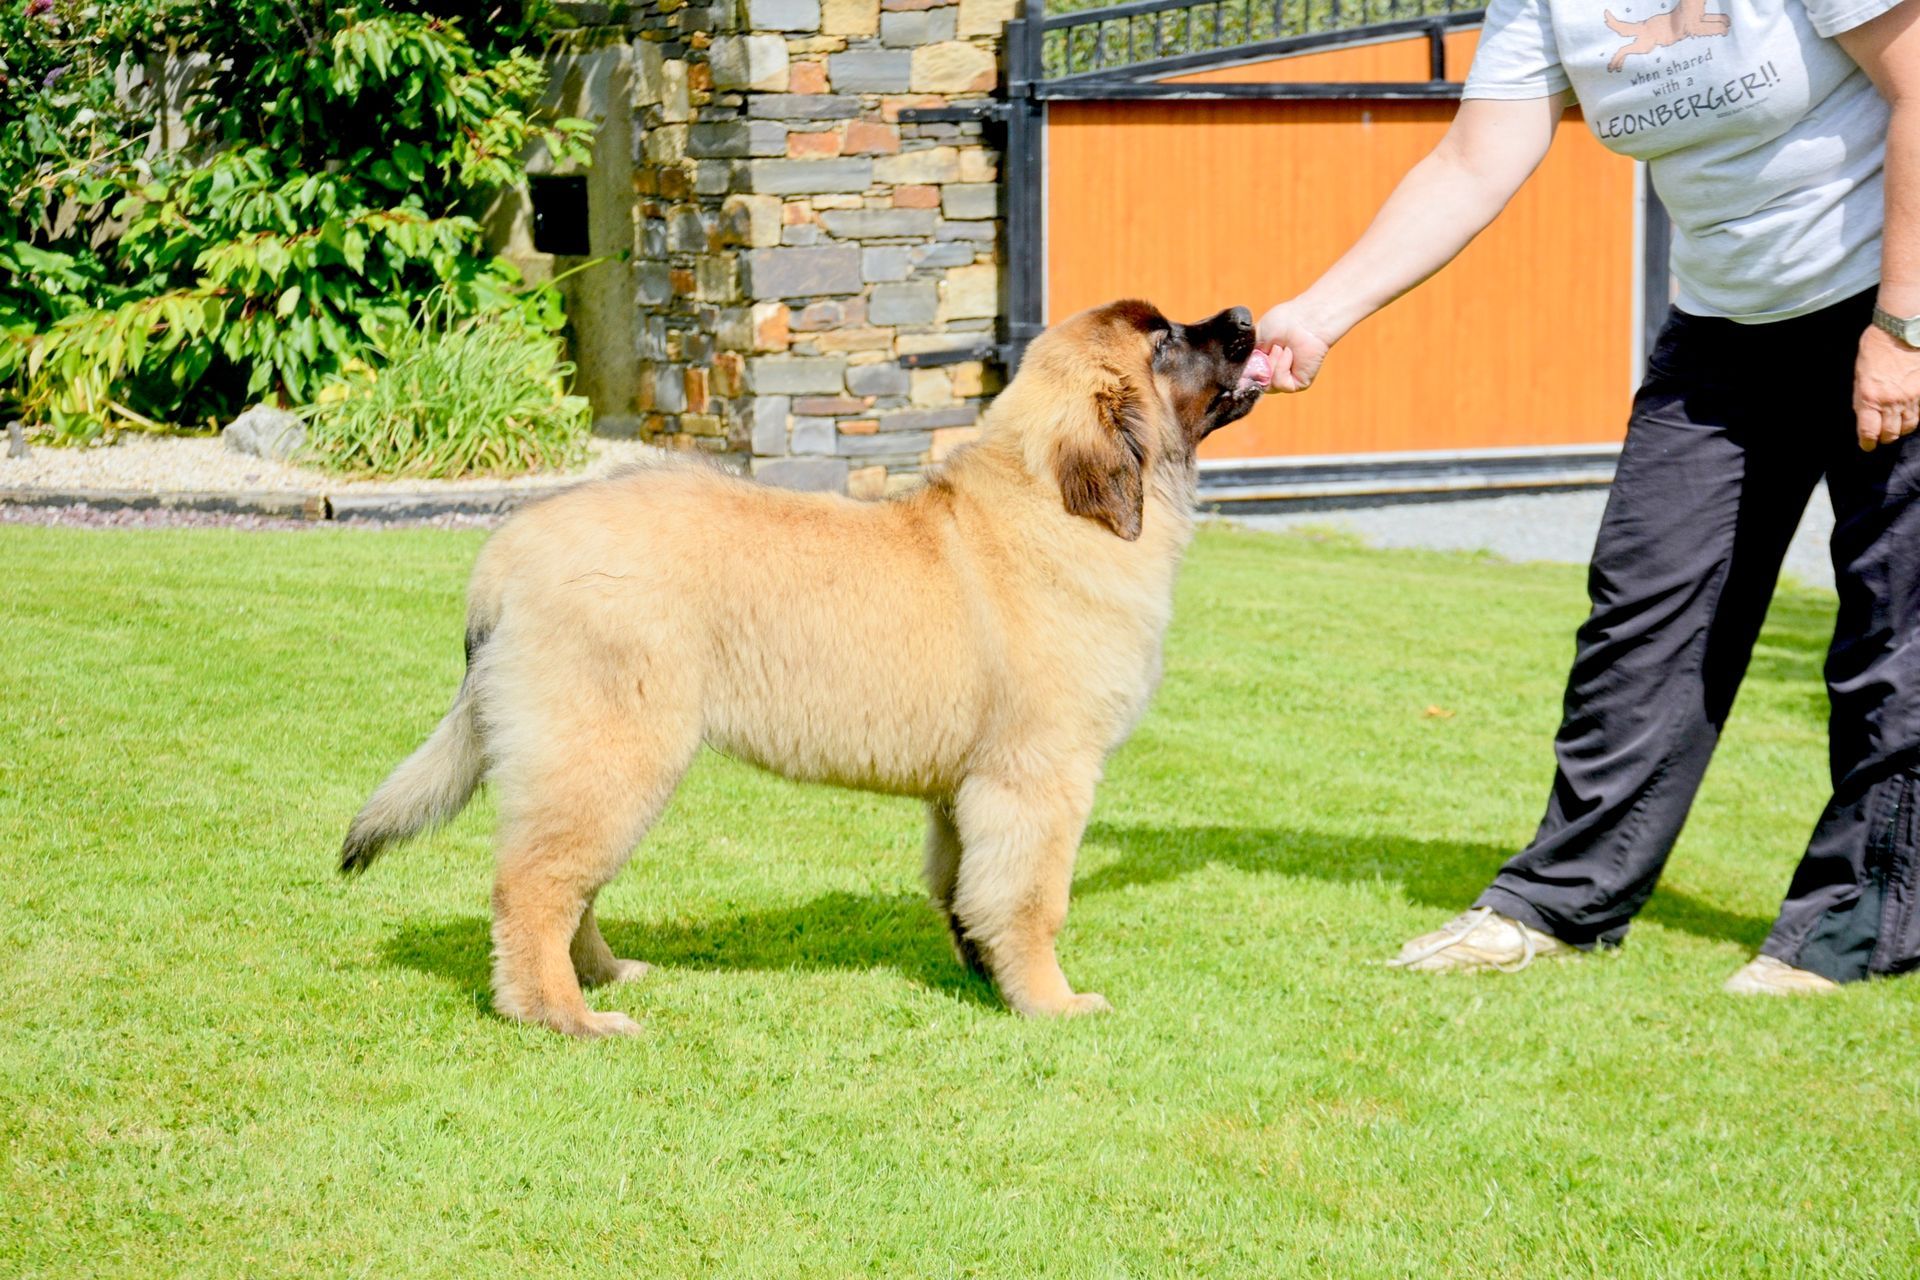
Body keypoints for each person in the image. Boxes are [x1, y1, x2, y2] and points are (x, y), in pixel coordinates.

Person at [1256, 0, 1920, 992]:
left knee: (1893, 621)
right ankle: (1561, 900)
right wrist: (1319, 313)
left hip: (1888, 292)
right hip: (1727, 324)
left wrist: (1904, 325)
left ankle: (1853, 926)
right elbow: (1471, 163)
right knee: (1644, 604)